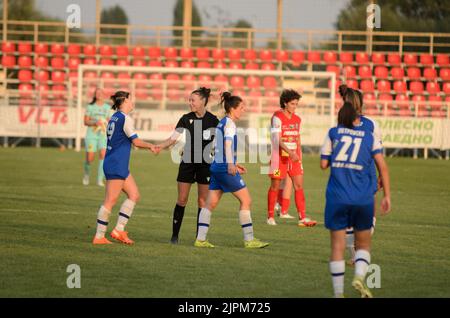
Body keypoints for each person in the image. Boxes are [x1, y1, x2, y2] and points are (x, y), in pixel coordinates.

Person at [320, 102, 391, 298]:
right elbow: (383, 167)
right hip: (363, 197)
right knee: (364, 244)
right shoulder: (369, 136)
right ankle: (359, 277)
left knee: (337, 246)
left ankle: (338, 293)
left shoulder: (333, 133)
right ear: (356, 119)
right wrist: (387, 196)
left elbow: (323, 164)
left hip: (337, 196)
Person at [194, 92, 269, 249]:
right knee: (246, 201)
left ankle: (200, 240)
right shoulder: (230, 124)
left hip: (216, 167)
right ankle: (249, 240)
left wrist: (234, 163)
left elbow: (216, 147)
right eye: (241, 108)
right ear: (233, 109)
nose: (244, 110)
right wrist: (230, 164)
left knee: (210, 204)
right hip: (223, 168)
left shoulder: (222, 123)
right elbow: (227, 145)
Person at [92, 91, 158, 245]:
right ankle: (99, 236)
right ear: (124, 101)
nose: (133, 102)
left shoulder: (115, 117)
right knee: (110, 201)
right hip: (116, 163)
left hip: (115, 162)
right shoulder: (125, 118)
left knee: (134, 195)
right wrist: (151, 146)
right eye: (131, 99)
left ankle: (119, 230)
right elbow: (136, 141)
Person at [155, 87, 219, 244]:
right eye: (189, 100)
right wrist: (160, 146)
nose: (190, 103)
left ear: (203, 101)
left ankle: (200, 237)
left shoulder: (213, 120)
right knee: (182, 199)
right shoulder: (185, 118)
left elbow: (221, 142)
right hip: (187, 163)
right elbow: (173, 138)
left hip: (205, 164)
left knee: (202, 201)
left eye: (193, 100)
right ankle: (174, 236)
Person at [339, 85, 383, 265]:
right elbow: (378, 152)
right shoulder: (371, 124)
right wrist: (381, 174)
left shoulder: (344, 124)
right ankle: (358, 252)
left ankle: (356, 253)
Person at [267, 89, 317, 227]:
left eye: (296, 104)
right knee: (275, 185)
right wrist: (289, 151)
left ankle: (302, 217)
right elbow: (276, 139)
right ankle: (270, 216)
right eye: (293, 104)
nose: (295, 107)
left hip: (293, 158)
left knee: (299, 185)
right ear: (285, 103)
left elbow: (297, 138)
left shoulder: (297, 119)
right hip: (279, 159)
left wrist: (298, 155)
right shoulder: (277, 117)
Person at [83, 88, 111, 187]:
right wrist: (95, 122)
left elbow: (109, 121)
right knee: (90, 158)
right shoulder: (90, 107)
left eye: (101, 93)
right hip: (91, 135)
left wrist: (105, 123)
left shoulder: (107, 107)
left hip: (103, 135)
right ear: (94, 95)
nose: (99, 94)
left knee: (103, 154)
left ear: (104, 95)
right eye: (97, 93)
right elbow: (85, 122)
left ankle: (100, 180)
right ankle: (86, 174)